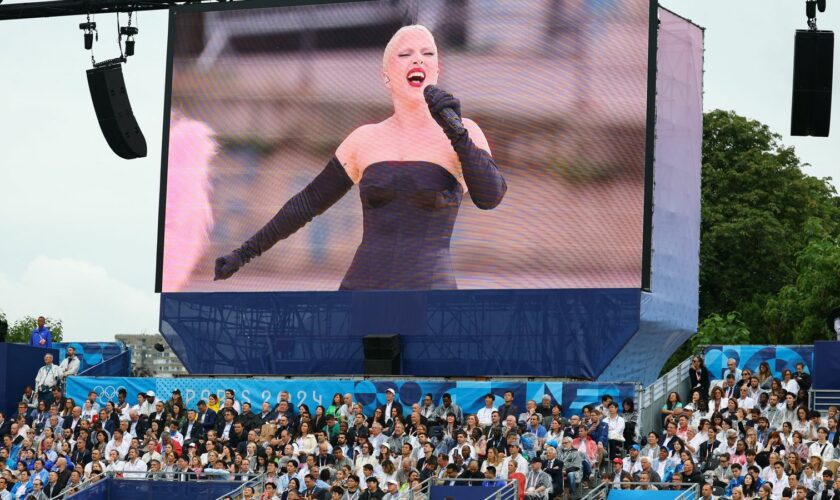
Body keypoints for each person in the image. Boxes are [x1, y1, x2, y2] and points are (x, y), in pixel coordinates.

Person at [214, 24, 506, 291]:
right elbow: (306, 203)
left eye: (427, 53)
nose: (418, 59)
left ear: (437, 69)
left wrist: (455, 131)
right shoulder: (364, 139)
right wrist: (244, 253)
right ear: (386, 75)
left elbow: (490, 196)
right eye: (405, 54)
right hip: (362, 294)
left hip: (430, 296)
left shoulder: (464, 131)